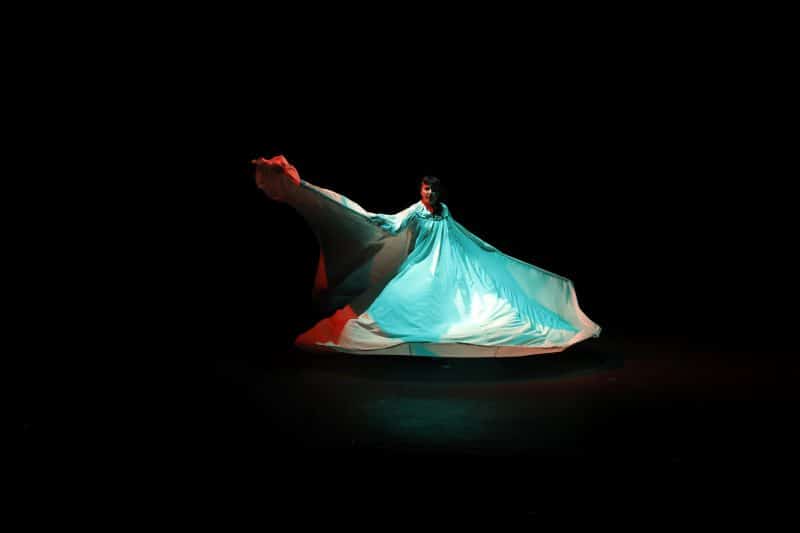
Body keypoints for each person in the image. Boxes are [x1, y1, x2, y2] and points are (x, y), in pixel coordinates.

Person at [253, 155, 600, 357]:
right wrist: (309, 191)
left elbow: (465, 240)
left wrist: (487, 256)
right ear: (420, 190)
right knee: (390, 309)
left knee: (488, 306)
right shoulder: (415, 212)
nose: (429, 192)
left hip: (446, 272)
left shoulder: (444, 213)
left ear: (439, 191)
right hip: (418, 270)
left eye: (432, 188)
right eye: (425, 187)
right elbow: (386, 224)